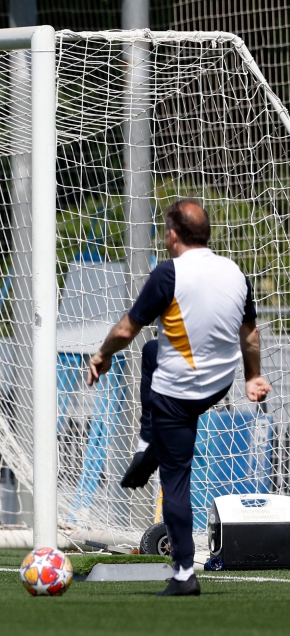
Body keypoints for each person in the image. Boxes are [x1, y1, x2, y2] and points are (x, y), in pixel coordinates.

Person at [87, 199, 271, 597]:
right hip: (219, 383)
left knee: (175, 479)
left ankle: (185, 572)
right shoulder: (234, 272)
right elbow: (250, 334)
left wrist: (101, 356)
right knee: (154, 352)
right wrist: (253, 377)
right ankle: (149, 442)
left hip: (177, 395)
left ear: (172, 234)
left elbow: (124, 330)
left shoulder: (168, 274)